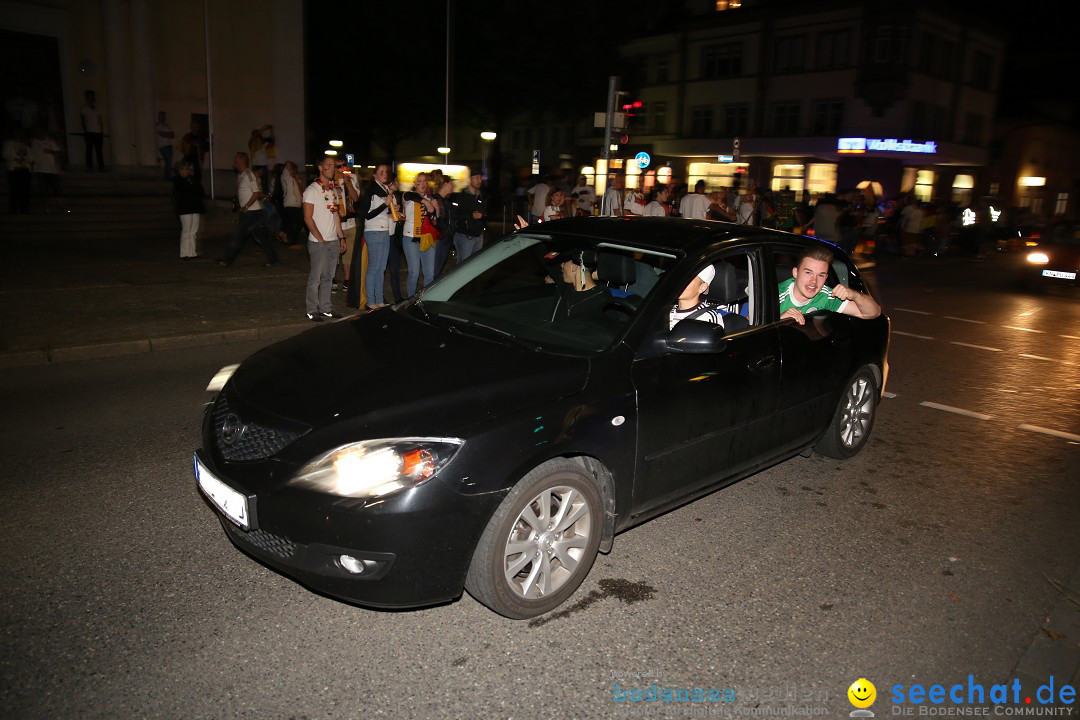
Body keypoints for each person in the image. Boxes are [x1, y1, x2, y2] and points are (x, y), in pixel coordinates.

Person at [779, 246, 881, 325]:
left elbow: (873, 313)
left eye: (820, 275)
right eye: (808, 273)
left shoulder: (826, 295)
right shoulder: (776, 295)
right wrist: (778, 318)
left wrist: (855, 295)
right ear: (795, 273)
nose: (814, 281)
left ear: (826, 277)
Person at [302, 155, 346, 322]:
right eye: (328, 165)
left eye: (333, 166)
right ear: (320, 168)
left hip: (332, 240)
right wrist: (320, 238)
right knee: (316, 278)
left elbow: (335, 215)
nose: (332, 168)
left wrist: (341, 237)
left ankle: (326, 308)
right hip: (318, 242)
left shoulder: (333, 190)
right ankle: (312, 309)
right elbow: (308, 217)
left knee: (329, 276)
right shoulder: (311, 190)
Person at [218, 152, 278, 267]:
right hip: (250, 212)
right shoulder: (241, 176)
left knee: (239, 237)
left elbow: (256, 193)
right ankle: (273, 259)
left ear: (241, 160)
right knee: (261, 237)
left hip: (251, 212)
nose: (234, 162)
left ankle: (227, 260)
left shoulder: (248, 175)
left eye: (235, 160)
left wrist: (246, 207)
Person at [358, 163, 395, 309]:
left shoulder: (384, 189)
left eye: (385, 172)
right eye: (381, 172)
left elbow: (381, 212)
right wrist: (385, 205)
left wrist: (392, 209)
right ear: (374, 174)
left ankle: (379, 300)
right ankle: (370, 301)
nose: (384, 174)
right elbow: (367, 214)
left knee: (381, 268)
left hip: (384, 230)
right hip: (373, 231)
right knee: (374, 268)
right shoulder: (371, 190)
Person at [401, 172, 438, 296]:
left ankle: (426, 298)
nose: (422, 184)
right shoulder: (408, 196)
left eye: (424, 181)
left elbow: (436, 221)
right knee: (414, 273)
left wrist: (436, 209)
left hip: (427, 237)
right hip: (411, 237)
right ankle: (410, 299)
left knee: (430, 273)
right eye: (419, 181)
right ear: (414, 184)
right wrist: (425, 202)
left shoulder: (430, 198)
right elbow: (410, 195)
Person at [550, 249, 611, 320]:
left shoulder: (602, 301)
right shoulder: (566, 288)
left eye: (565, 262)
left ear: (575, 267)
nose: (561, 265)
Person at [450, 168, 486, 269]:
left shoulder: (480, 195)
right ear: (469, 180)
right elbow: (453, 214)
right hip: (464, 236)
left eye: (481, 178)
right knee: (463, 267)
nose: (480, 180)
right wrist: (470, 216)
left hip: (478, 235)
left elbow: (484, 213)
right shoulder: (460, 195)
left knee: (474, 266)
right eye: (477, 178)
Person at [335, 159, 361, 295]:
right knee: (334, 252)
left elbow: (356, 198)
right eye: (338, 166)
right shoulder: (329, 180)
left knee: (348, 254)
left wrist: (347, 182)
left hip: (350, 221)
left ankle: (347, 279)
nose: (341, 169)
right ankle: (332, 278)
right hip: (335, 222)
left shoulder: (352, 178)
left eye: (343, 165)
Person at [174, 160, 205, 259]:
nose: (186, 171)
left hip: (194, 207)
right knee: (186, 230)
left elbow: (200, 191)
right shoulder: (178, 180)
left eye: (187, 169)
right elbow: (182, 193)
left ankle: (192, 252)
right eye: (183, 169)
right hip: (185, 208)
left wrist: (193, 179)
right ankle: (184, 253)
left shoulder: (192, 179)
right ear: (179, 170)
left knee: (193, 231)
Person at [30, 127, 64, 213]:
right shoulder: (33, 142)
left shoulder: (50, 142)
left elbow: (59, 152)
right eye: (38, 131)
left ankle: (61, 206)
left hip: (52, 170)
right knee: (44, 190)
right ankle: (47, 208)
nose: (40, 133)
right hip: (40, 170)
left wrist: (52, 152)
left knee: (57, 189)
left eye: (41, 131)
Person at [3, 130, 32, 213]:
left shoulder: (25, 144)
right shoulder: (9, 143)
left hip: (25, 169)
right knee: (14, 189)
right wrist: (14, 158)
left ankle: (24, 208)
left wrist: (25, 159)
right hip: (14, 169)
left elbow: (31, 157)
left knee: (25, 190)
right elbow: (5, 154)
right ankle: (13, 208)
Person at [432, 178, 455, 278]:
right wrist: (444, 232)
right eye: (451, 184)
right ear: (445, 184)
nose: (453, 187)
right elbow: (435, 220)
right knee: (435, 269)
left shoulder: (445, 200)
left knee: (439, 269)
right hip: (440, 239)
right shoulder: (436, 199)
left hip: (446, 238)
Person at [80, 90, 104, 170]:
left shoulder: (97, 106)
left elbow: (100, 120)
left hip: (98, 132)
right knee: (89, 150)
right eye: (88, 96)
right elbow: (83, 120)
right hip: (89, 131)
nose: (90, 97)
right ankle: (89, 166)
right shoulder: (84, 107)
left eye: (91, 95)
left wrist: (101, 131)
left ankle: (101, 167)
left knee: (98, 150)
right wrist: (85, 131)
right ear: (86, 97)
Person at [281, 161, 304, 245]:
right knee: (292, 223)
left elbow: (302, 191)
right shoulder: (286, 177)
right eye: (292, 169)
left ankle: (290, 238)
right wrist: (290, 168)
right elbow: (287, 163)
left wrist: (297, 180)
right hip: (289, 203)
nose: (293, 171)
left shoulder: (296, 179)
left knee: (297, 223)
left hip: (297, 204)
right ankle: (288, 239)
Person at [155, 111, 175, 180]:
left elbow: (172, 135)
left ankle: (167, 176)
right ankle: (167, 177)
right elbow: (161, 134)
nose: (162, 118)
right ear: (158, 117)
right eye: (161, 116)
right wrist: (167, 134)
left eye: (163, 116)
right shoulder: (157, 125)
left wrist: (166, 134)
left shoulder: (167, 125)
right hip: (162, 146)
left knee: (169, 161)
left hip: (169, 145)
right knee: (168, 161)